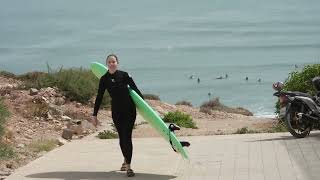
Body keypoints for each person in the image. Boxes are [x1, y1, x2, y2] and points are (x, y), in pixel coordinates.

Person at [91, 54, 143, 177]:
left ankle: (129, 166)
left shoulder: (124, 75)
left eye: (113, 61)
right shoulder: (104, 79)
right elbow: (99, 97)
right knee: (122, 137)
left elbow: (136, 90)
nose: (111, 63)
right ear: (107, 64)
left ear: (117, 63)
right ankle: (125, 160)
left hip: (130, 110)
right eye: (109, 62)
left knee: (128, 137)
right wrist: (94, 115)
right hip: (116, 112)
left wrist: (147, 108)